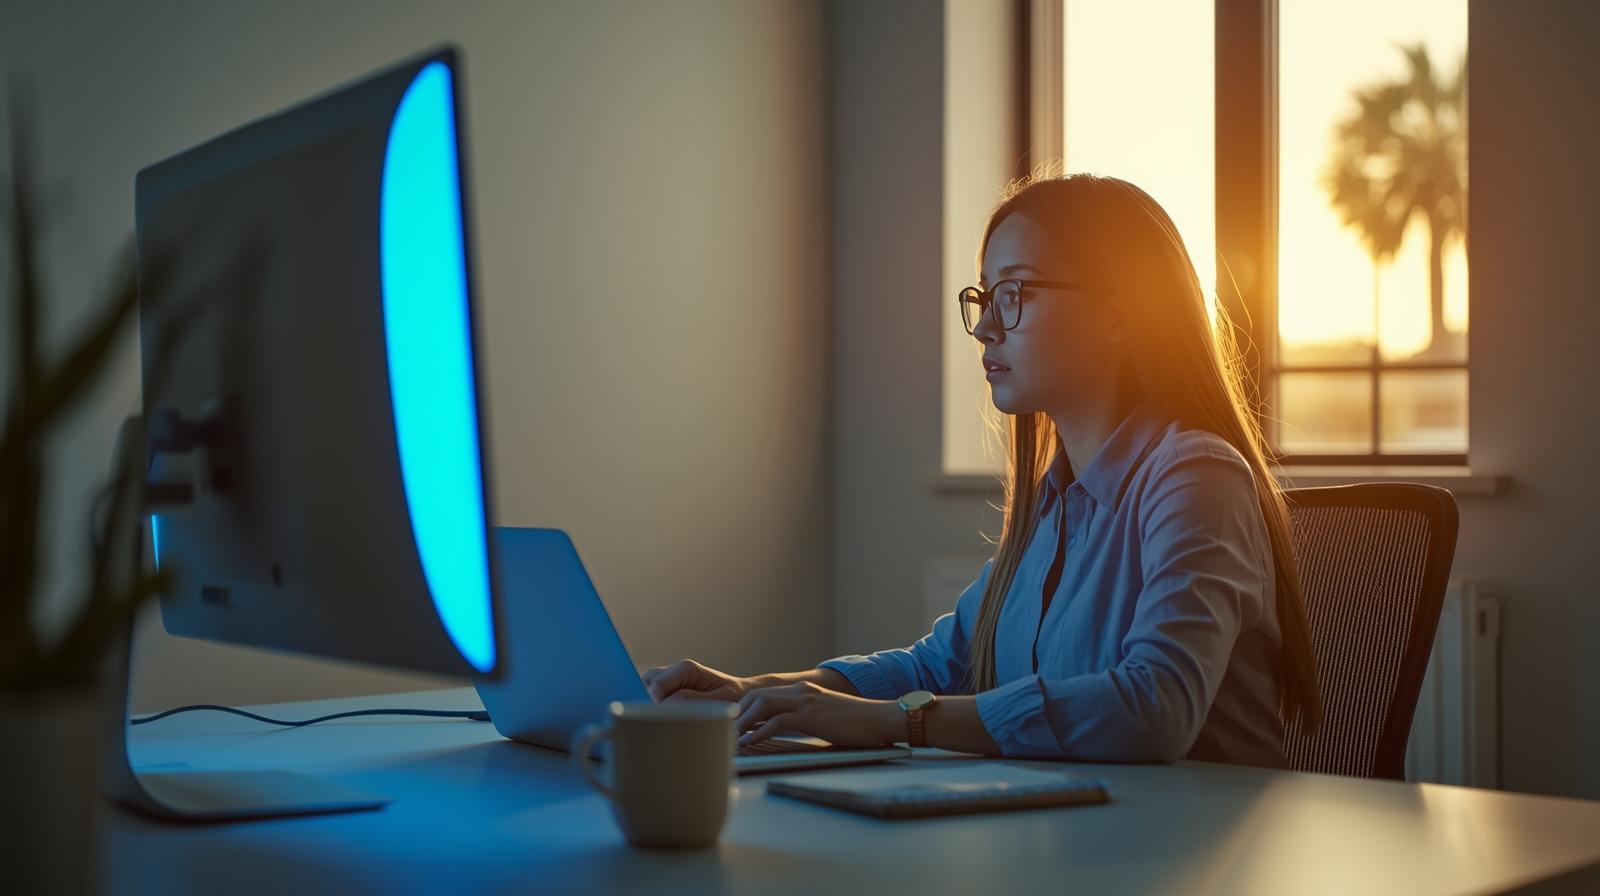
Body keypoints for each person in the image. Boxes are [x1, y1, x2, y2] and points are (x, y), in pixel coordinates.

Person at [646, 171, 1321, 766]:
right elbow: (940, 666)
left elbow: (1155, 707)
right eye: (986, 297)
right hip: (1089, 838)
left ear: (1120, 311)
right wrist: (754, 690)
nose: (985, 328)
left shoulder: (1197, 478)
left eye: (1016, 294)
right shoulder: (1053, 504)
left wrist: (895, 724)